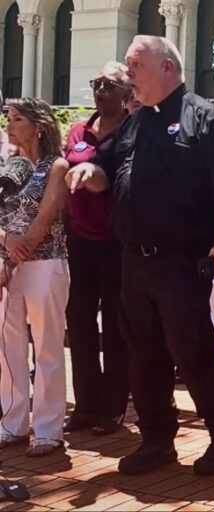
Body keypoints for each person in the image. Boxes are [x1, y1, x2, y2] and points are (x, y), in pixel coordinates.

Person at [66, 35, 214, 476]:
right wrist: (89, 170)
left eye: (136, 65)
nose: (128, 73)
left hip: (180, 262)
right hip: (132, 261)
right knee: (142, 353)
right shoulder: (136, 123)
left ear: (167, 68)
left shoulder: (204, 118)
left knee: (192, 353)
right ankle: (157, 441)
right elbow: (106, 172)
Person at [63, 61, 132, 436]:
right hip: (80, 242)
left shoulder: (133, 132)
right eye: (96, 83)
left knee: (117, 327)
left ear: (127, 95)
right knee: (80, 324)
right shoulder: (78, 131)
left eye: (108, 85)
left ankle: (113, 407)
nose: (100, 90)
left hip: (118, 244)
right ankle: (86, 406)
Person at [0, 98, 70, 456]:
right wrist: (6, 248)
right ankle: (12, 423)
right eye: (8, 119)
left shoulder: (56, 165)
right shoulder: (8, 167)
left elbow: (46, 217)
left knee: (46, 347)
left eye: (17, 119)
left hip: (45, 265)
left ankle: (48, 430)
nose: (10, 125)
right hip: (9, 268)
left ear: (39, 126)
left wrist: (21, 245)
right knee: (8, 347)